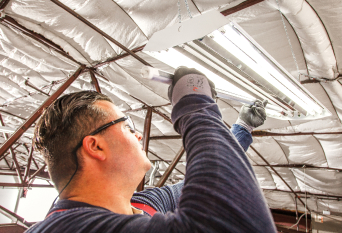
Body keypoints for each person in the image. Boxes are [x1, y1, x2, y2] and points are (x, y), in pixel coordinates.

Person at [26, 67, 276, 232]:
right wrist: (195, 106)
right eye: (126, 126)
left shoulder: (143, 203)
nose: (138, 134)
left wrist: (242, 128)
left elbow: (210, 181)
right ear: (95, 146)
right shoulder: (65, 229)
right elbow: (233, 223)